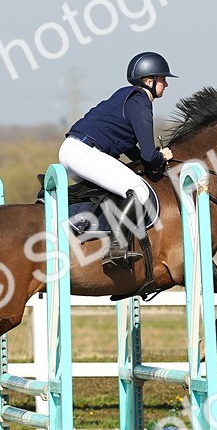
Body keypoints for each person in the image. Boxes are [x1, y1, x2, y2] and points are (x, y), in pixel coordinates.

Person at [60, 52, 176, 269]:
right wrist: (163, 156)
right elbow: (149, 155)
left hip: (72, 150)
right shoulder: (140, 101)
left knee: (115, 189)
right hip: (84, 153)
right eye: (163, 79)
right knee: (138, 191)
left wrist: (147, 158)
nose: (166, 84)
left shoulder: (125, 96)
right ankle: (116, 248)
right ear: (148, 81)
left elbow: (130, 147)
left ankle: (84, 225)